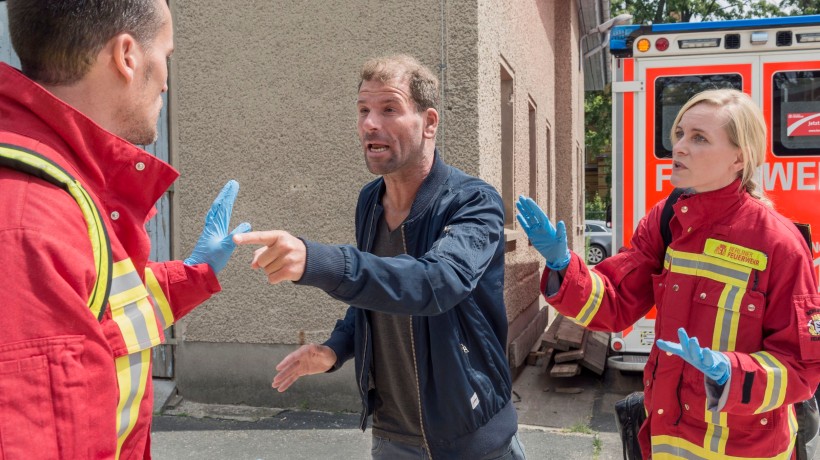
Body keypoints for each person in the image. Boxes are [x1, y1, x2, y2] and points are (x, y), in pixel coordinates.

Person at [234, 55, 525, 460]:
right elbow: (375, 295)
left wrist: (320, 261)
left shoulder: (473, 202)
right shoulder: (370, 201)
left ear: (429, 122)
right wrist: (336, 348)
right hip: (393, 437)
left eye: (389, 109)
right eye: (363, 110)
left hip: (473, 439)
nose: (371, 123)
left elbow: (434, 283)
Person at [0, 1, 249, 458]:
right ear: (127, 56)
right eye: (167, 56)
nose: (167, 80)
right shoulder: (28, 222)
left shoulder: (60, 187)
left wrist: (192, 273)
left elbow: (101, 314)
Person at [516, 89, 820, 459]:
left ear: (739, 158)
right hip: (664, 444)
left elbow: (803, 368)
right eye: (679, 133)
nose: (679, 147)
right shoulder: (668, 219)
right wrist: (564, 265)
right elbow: (614, 302)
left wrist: (730, 372)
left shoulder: (780, 244)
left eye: (699, 138)